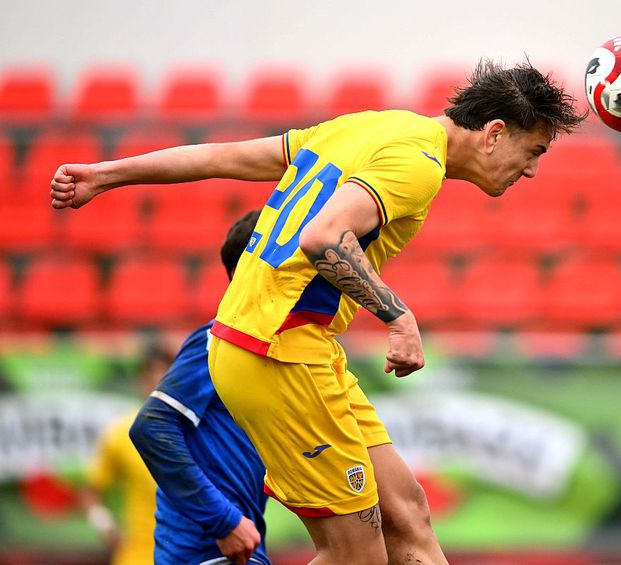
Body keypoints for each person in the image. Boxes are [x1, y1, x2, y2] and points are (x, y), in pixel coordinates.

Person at [51, 59, 585, 565]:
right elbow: (323, 237)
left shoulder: (373, 128)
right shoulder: (417, 163)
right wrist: (399, 317)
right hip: (276, 350)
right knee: (356, 553)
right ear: (493, 133)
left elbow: (221, 158)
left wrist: (108, 174)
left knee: (408, 515)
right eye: (534, 150)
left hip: (300, 348)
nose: (533, 170)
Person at [128, 210, 269, 565]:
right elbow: (150, 426)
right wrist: (224, 521)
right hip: (206, 550)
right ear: (245, 272)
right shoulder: (221, 340)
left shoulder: (273, 348)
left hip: (240, 546)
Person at [80, 346, 172, 565]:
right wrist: (107, 528)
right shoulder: (121, 432)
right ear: (141, 380)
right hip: (139, 553)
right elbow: (90, 492)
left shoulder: (196, 431)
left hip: (190, 551)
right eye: (150, 374)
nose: (156, 380)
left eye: (164, 373)